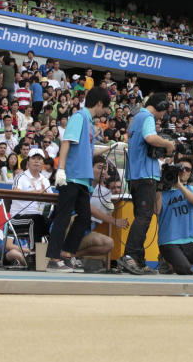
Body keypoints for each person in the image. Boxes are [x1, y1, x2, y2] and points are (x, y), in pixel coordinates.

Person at [46, 87, 113, 272]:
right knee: (63, 217)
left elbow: (88, 152)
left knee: (84, 218)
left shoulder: (90, 123)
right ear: (99, 103)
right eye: (105, 107)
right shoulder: (79, 117)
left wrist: (109, 148)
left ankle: (67, 254)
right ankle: (53, 258)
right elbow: (66, 141)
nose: (104, 111)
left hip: (84, 179)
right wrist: (61, 170)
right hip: (72, 176)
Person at [120, 92, 175, 275]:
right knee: (144, 217)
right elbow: (151, 138)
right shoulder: (148, 117)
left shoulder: (135, 119)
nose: (163, 116)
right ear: (159, 107)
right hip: (145, 175)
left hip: (134, 175)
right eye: (163, 112)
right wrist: (168, 145)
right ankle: (129, 256)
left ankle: (139, 260)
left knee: (141, 217)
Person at [10, 148, 51, 243]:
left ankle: (53, 254)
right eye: (34, 158)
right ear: (28, 161)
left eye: (40, 159)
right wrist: (35, 192)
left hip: (40, 215)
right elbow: (15, 192)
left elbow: (51, 198)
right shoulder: (20, 177)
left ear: (43, 163)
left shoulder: (45, 179)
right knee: (37, 220)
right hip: (18, 217)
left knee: (57, 219)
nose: (37, 161)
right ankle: (35, 254)